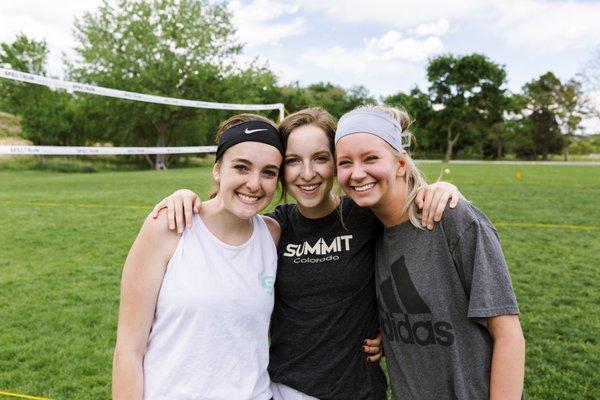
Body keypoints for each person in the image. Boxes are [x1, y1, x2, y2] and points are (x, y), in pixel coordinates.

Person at [152, 107, 462, 399]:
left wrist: (443, 188)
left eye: (320, 158)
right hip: (285, 389)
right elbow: (224, 226)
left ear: (336, 161)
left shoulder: (366, 217)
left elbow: (404, 215)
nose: (308, 173)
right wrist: (186, 198)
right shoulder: (274, 228)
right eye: (293, 160)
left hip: (359, 391)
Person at [334, 105, 526, 400]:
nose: (357, 173)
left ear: (400, 163)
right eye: (345, 163)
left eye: (371, 158)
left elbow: (508, 335)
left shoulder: (451, 218)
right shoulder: (367, 229)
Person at [112, 114, 285, 400]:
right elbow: (129, 350)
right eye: (241, 167)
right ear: (218, 169)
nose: (254, 184)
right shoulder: (169, 226)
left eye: (268, 172)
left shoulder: (272, 235)